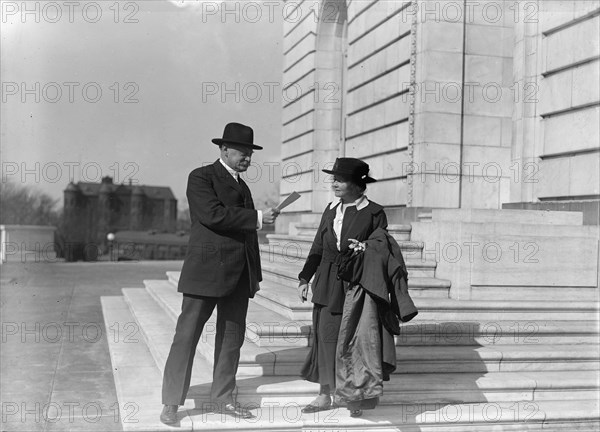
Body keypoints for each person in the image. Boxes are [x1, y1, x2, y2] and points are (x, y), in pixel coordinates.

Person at [160, 122, 280, 425]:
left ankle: (223, 398)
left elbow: (247, 235)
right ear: (224, 149)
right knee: (186, 337)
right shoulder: (201, 177)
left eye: (251, 153)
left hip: (239, 276)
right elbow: (213, 215)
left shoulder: (243, 187)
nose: (248, 158)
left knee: (231, 339)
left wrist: (255, 275)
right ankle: (172, 403)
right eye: (242, 151)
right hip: (206, 273)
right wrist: (258, 217)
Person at [297, 157, 387, 416]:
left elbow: (383, 248)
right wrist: (305, 278)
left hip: (356, 285)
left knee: (353, 341)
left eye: (340, 178)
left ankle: (353, 395)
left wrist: (365, 249)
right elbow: (317, 246)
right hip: (326, 282)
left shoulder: (374, 213)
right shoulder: (330, 209)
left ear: (358, 185)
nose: (333, 182)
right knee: (326, 339)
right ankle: (325, 394)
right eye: (333, 178)